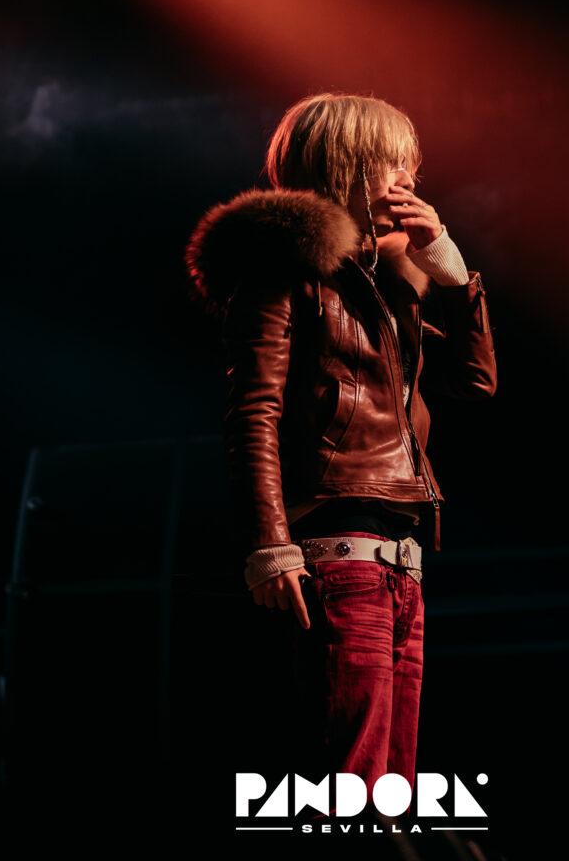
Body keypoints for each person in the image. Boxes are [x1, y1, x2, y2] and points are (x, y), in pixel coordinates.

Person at [185, 91, 496, 796]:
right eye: (391, 164)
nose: (408, 180)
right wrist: (270, 546)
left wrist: (447, 268)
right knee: (349, 788)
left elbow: (474, 382)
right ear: (342, 165)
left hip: (402, 561)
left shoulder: (390, 284)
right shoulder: (282, 272)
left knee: (391, 793)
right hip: (338, 556)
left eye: (410, 165)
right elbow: (253, 413)